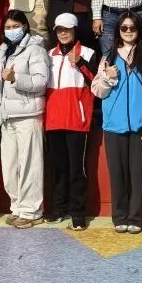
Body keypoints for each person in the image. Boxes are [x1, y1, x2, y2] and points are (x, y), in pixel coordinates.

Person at [91, 12, 142, 233]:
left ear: (138, 31)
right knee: (118, 174)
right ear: (118, 31)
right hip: (114, 125)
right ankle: (120, 216)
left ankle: (137, 217)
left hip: (140, 127)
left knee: (139, 175)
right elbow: (98, 92)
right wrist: (107, 77)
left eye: (132, 28)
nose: (128, 31)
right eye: (124, 28)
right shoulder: (108, 57)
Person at [0, 11, 49, 228]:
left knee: (30, 165)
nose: (12, 30)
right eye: (7, 27)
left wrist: (15, 78)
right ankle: (17, 206)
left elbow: (41, 81)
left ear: (25, 26)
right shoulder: (4, 51)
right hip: (7, 116)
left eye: (15, 26)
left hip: (28, 115)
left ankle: (31, 211)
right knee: (10, 167)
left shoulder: (35, 49)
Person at [45, 13, 98, 230]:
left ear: (75, 30)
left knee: (77, 169)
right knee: (58, 168)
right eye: (59, 30)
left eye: (67, 29)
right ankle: (59, 209)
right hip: (53, 119)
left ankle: (78, 214)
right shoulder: (49, 54)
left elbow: (98, 83)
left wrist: (81, 63)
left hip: (77, 120)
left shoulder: (88, 53)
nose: (63, 33)